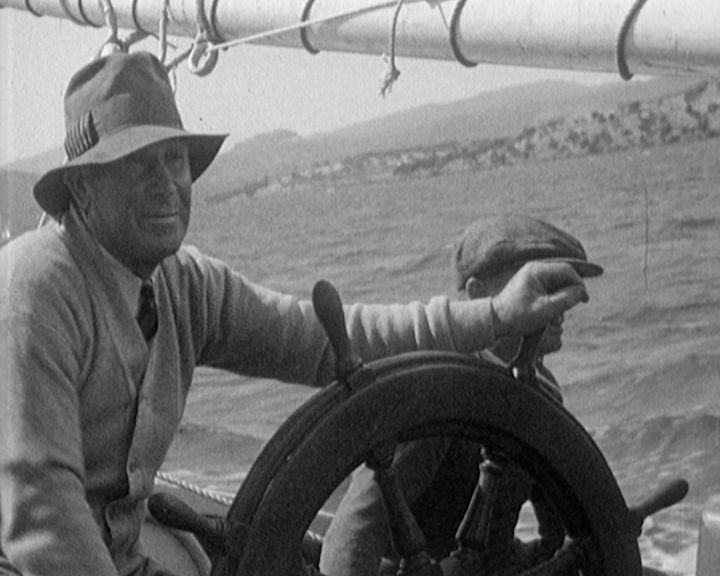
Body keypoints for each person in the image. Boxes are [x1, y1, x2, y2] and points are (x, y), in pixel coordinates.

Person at [0, 52, 589, 576]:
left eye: (174, 159)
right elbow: (42, 514)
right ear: (82, 189)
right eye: (137, 164)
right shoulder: (37, 285)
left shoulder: (184, 285)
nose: (166, 184)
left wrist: (495, 314)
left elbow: (327, 339)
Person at [319, 215, 604, 576]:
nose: (560, 306)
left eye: (564, 285)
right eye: (541, 284)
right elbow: (355, 530)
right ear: (477, 293)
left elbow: (560, 532)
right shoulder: (442, 396)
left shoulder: (546, 393)